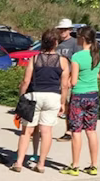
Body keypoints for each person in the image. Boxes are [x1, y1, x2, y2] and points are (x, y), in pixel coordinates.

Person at [10, 29, 70, 173]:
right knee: (46, 131)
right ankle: (41, 164)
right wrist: (63, 102)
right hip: (53, 97)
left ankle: (18, 162)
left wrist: (21, 97)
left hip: (34, 96)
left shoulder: (35, 59)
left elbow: (26, 81)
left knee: (26, 131)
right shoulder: (63, 61)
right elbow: (65, 85)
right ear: (56, 43)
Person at [60, 26, 100, 177]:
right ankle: (93, 165)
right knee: (91, 130)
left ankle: (75, 165)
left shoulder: (77, 57)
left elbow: (73, 82)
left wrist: (72, 78)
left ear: (83, 39)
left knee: (76, 131)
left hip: (79, 95)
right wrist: (91, 76)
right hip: (93, 94)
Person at [54, 18, 81, 143]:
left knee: (68, 105)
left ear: (70, 30)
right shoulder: (57, 44)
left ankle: (68, 131)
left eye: (65, 30)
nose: (62, 32)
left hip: (68, 77)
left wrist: (72, 77)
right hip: (55, 77)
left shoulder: (75, 43)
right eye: (61, 29)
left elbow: (78, 62)